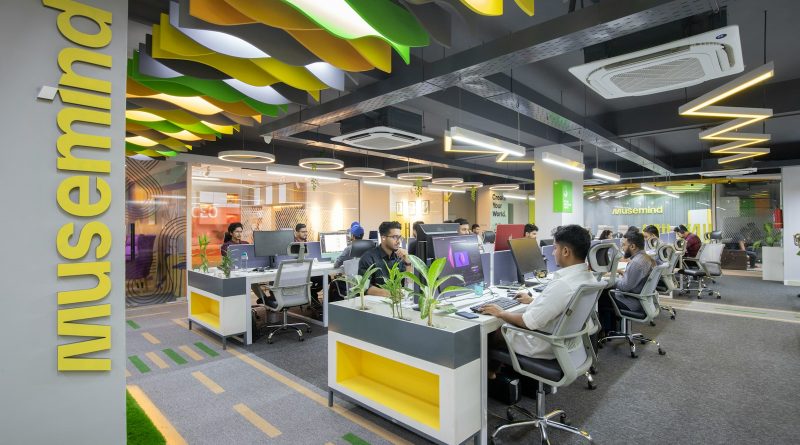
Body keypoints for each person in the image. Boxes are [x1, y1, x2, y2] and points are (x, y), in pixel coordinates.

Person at [480, 225, 595, 366]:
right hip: (566, 343)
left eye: (555, 248)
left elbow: (528, 322)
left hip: (545, 343)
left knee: (492, 333)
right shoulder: (588, 278)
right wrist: (532, 300)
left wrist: (501, 313)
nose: (553, 253)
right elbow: (562, 306)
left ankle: (492, 377)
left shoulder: (563, 284)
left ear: (565, 251)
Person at [597, 230, 655, 335]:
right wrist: (621, 275)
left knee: (601, 295)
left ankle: (608, 332)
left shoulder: (636, 263)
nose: (622, 248)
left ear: (632, 246)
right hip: (642, 299)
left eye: (624, 245)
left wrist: (611, 279)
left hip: (633, 301)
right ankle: (612, 329)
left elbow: (624, 286)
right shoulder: (645, 258)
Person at [358, 221, 412, 297]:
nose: (399, 241)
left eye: (400, 237)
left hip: (399, 301)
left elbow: (408, 285)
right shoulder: (368, 258)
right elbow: (365, 287)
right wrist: (390, 293)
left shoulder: (400, 257)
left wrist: (408, 263)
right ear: (383, 237)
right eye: (394, 237)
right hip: (377, 302)